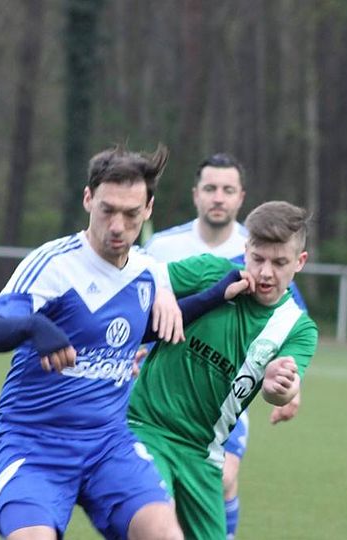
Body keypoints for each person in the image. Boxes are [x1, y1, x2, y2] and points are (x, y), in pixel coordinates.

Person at [0, 144, 200, 540]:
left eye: (130, 214)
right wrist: (35, 327)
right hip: (33, 444)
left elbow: (149, 328)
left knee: (166, 535)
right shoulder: (53, 264)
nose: (117, 226)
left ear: (148, 209)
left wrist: (221, 292)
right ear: (88, 199)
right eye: (107, 210)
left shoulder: (147, 270)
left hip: (108, 446)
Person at [129, 200, 318, 539]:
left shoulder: (298, 328)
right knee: (157, 527)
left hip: (204, 453)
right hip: (146, 428)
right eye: (258, 259)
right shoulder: (211, 272)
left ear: (299, 262)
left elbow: (284, 389)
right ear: (245, 250)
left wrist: (279, 386)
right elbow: (141, 280)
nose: (266, 273)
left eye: (279, 263)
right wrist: (158, 301)